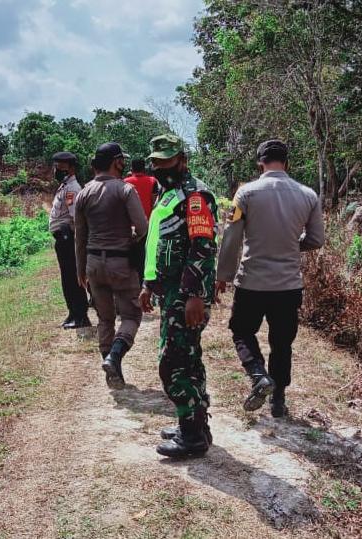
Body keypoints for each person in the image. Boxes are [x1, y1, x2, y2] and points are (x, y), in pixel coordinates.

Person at [216, 140, 325, 417]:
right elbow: (315, 239)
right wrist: (289, 243)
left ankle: (258, 375)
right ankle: (278, 399)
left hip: (251, 282)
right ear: (287, 163)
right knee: (282, 342)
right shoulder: (308, 195)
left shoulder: (246, 193)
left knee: (242, 331)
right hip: (288, 285)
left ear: (259, 163)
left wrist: (223, 276)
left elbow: (232, 237)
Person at [139, 134, 218, 458]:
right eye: (155, 160)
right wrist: (149, 284)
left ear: (181, 159)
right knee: (189, 359)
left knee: (172, 362)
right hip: (170, 290)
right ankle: (196, 425)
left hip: (186, 294)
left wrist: (193, 295)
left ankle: (191, 436)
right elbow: (158, 242)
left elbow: (202, 249)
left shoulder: (194, 196)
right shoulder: (168, 194)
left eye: (165, 160)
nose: (158, 166)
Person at [75, 143, 149, 389]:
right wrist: (131, 237)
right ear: (117, 162)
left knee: (105, 319)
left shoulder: (83, 194)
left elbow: (80, 237)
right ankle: (114, 356)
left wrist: (80, 270)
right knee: (131, 315)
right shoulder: (125, 190)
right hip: (121, 263)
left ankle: (111, 371)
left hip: (93, 264)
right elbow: (143, 228)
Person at [49, 152, 90, 330]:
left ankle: (81, 316)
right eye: (56, 166)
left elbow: (77, 218)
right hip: (62, 238)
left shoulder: (72, 189)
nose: (57, 170)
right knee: (67, 278)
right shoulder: (64, 186)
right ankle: (73, 313)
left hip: (68, 238)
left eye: (60, 167)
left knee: (73, 278)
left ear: (71, 168)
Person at [124, 158, 159, 283]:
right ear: (144, 168)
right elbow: (155, 203)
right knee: (147, 258)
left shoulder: (125, 182)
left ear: (131, 168)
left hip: (130, 228)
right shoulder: (152, 181)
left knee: (132, 259)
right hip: (148, 226)